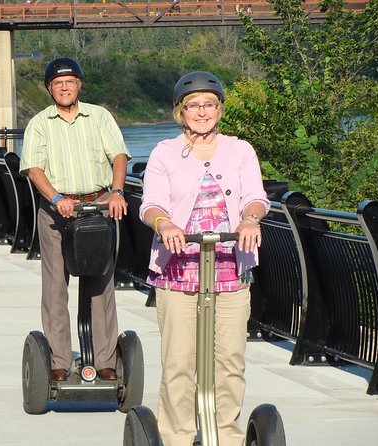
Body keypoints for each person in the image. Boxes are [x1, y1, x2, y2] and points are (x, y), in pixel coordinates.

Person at [139, 71, 269, 446]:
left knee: (229, 363)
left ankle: (226, 437)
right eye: (193, 105)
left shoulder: (240, 150)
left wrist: (249, 219)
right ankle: (177, 437)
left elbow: (256, 196)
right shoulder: (164, 152)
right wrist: (164, 224)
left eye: (209, 104)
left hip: (230, 268)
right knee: (179, 363)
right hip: (178, 271)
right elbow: (151, 204)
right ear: (180, 112)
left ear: (220, 110)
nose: (202, 111)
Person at [19, 57, 131, 382]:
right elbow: (33, 168)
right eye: (57, 83)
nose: (64, 87)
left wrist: (117, 191)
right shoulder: (40, 123)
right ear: (49, 89)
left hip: (97, 206)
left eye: (70, 82)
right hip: (56, 211)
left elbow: (119, 155)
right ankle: (57, 360)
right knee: (55, 286)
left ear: (79, 84)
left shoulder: (99, 116)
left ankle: (106, 359)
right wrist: (55, 198)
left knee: (101, 283)